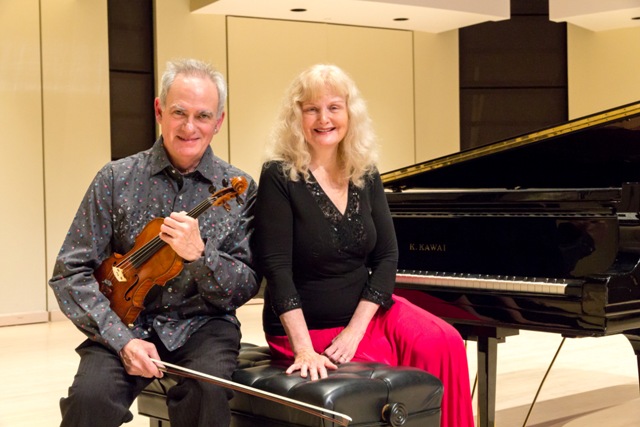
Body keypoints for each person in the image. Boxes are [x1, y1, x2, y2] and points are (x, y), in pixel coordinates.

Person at [253, 64, 475, 427]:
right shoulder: (279, 175)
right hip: (308, 327)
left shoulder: (364, 171)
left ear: (349, 113)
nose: (324, 119)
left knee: (445, 341)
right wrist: (304, 349)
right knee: (388, 365)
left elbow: (387, 256)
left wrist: (355, 330)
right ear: (296, 117)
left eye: (333, 107)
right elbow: (276, 269)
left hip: (365, 316)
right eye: (312, 109)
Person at [49, 58, 260, 427]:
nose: (190, 127)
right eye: (179, 112)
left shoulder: (239, 189)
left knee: (207, 393)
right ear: (159, 111)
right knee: (89, 400)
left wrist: (201, 256)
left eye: (203, 116)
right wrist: (121, 340)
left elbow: (245, 284)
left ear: (219, 122)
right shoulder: (115, 179)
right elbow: (70, 272)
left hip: (203, 325)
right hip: (124, 320)